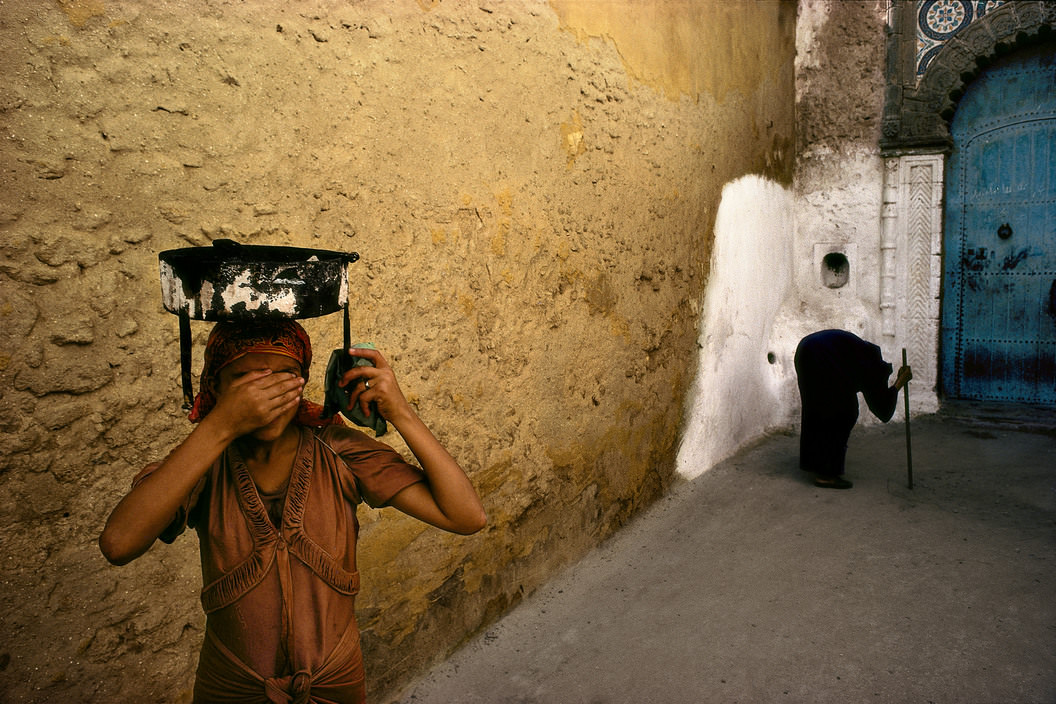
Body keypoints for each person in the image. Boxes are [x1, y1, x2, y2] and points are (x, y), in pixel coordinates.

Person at [99, 319, 486, 703]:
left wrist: (400, 412)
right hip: (230, 684)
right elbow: (119, 544)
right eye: (248, 380)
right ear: (215, 388)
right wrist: (220, 426)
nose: (267, 394)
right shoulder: (199, 465)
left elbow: (465, 517)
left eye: (285, 376)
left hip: (335, 680)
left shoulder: (338, 450)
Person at [794, 329, 912, 489]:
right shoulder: (873, 370)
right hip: (820, 353)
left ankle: (816, 464)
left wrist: (896, 383)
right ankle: (826, 475)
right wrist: (899, 383)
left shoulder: (869, 360)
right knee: (845, 412)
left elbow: (881, 403)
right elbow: (883, 410)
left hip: (806, 349)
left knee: (816, 408)